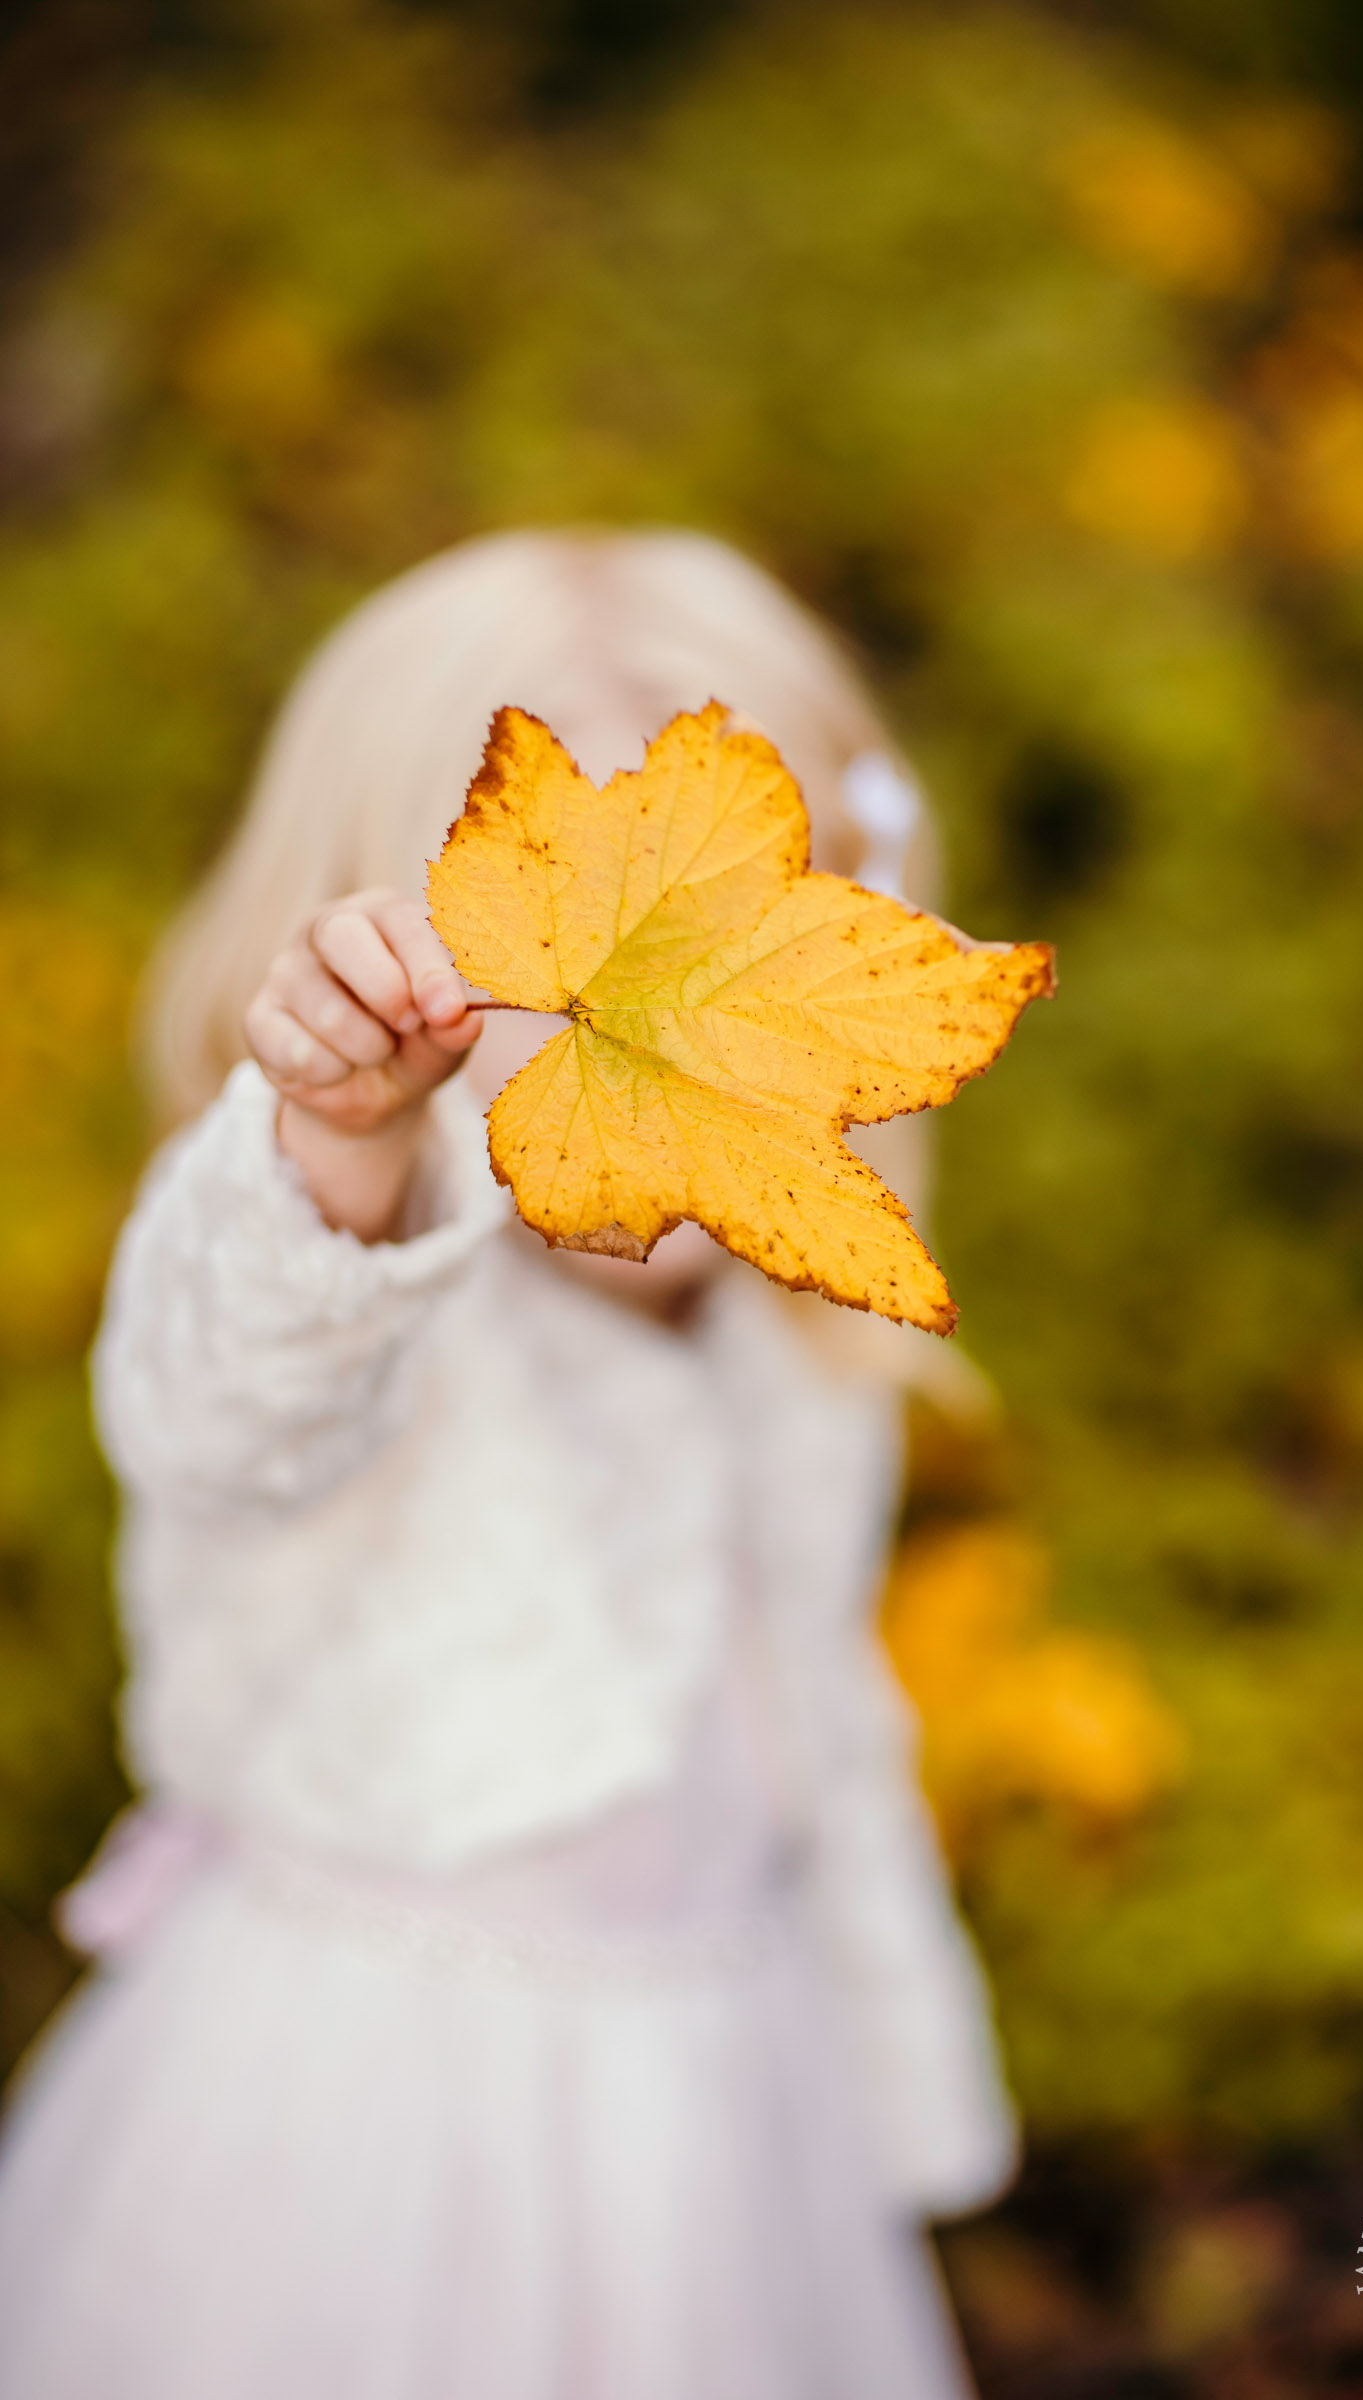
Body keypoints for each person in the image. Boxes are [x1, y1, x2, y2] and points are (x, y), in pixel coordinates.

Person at [0, 529, 1016, 2400]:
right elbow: (220, 1406)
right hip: (363, 2123)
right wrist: (340, 1152)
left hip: (726, 2094)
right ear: (378, 975)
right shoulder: (351, 1264)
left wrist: (892, 2081)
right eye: (587, 956)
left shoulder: (794, 1337)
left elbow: (816, 1730)